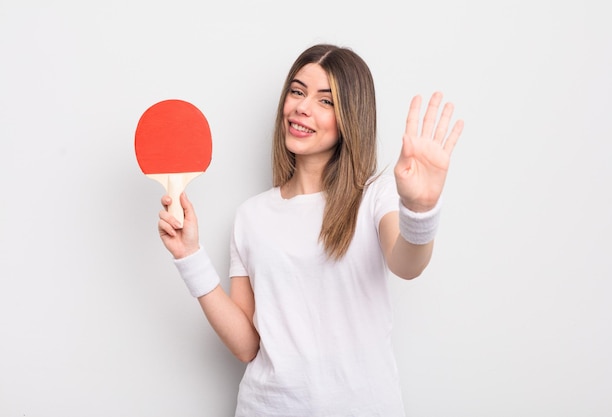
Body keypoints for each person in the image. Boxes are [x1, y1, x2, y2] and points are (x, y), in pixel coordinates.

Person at [157, 43, 464, 416]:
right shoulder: (251, 216)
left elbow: (407, 263)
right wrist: (190, 255)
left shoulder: (374, 196)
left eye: (326, 100)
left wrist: (419, 210)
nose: (302, 107)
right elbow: (246, 346)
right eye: (297, 91)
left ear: (350, 117)